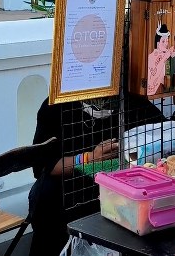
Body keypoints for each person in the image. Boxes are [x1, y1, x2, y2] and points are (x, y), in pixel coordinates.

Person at [28, 95, 165, 255]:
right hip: (67, 192)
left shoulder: (133, 102)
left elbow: (165, 133)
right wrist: (89, 158)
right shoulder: (56, 105)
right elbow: (45, 165)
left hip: (121, 195)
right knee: (47, 195)